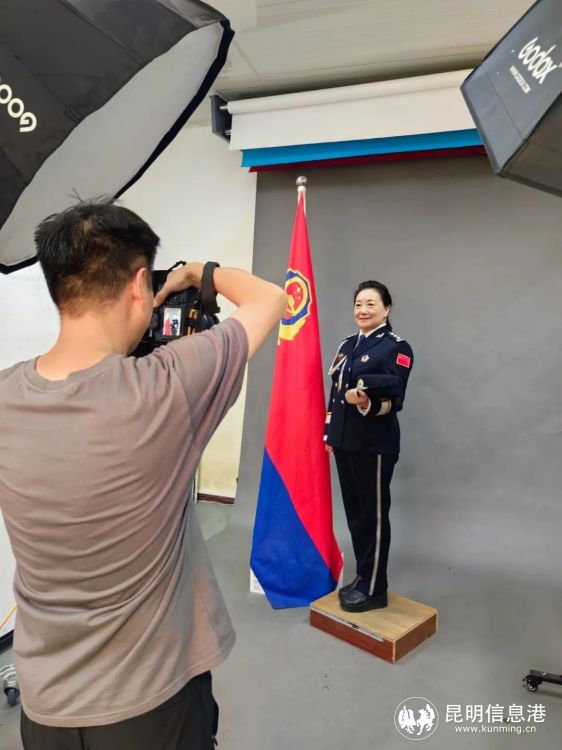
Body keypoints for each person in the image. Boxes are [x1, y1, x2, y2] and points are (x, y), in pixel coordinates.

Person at [0, 199, 287, 750]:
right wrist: (195, 273)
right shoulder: (166, 387)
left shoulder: (7, 395)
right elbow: (271, 297)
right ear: (138, 285)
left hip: (44, 708)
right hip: (150, 705)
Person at [324, 280, 413, 613]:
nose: (362, 310)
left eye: (371, 304)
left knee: (373, 517)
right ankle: (364, 577)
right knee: (355, 515)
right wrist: (330, 434)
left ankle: (375, 589)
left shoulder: (396, 348)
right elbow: (335, 393)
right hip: (345, 443)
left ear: (386, 309)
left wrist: (365, 402)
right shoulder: (348, 344)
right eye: (358, 304)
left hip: (374, 445)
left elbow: (394, 400)